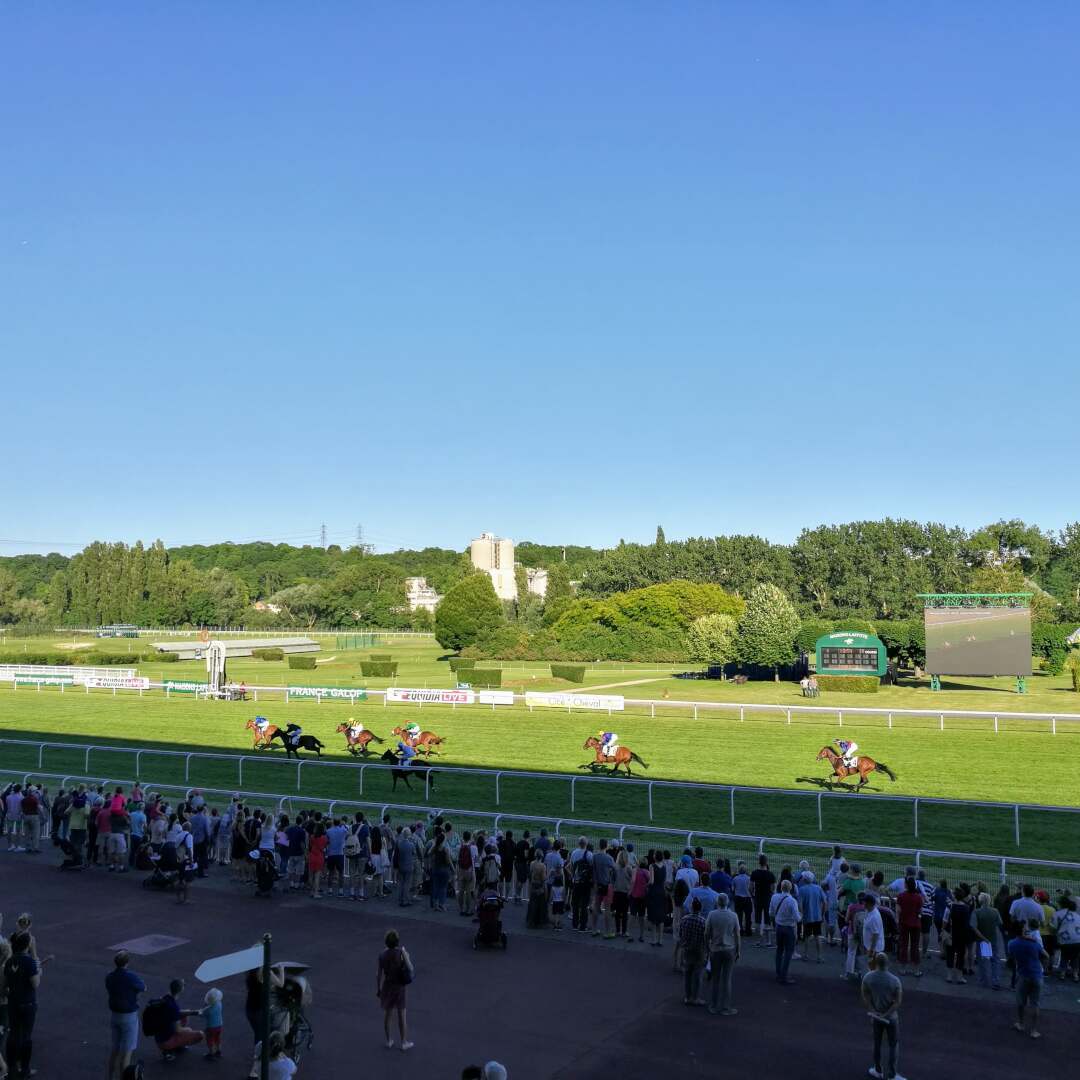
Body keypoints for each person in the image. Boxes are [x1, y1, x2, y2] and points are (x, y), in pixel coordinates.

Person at [860, 952, 904, 1080]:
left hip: (876, 1016)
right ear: (888, 964)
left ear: (875, 963)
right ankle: (892, 1075)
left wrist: (873, 1011)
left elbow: (865, 996)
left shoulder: (868, 978)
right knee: (893, 1044)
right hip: (891, 1018)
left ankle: (878, 1070)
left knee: (877, 1043)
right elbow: (898, 1002)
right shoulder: (895, 980)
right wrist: (886, 1014)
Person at [5, 931, 40, 1079]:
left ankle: (11, 1068)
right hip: (27, 1003)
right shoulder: (30, 961)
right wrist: (39, 971)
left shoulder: (10, 960)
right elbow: (35, 984)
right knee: (26, 1036)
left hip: (13, 1002)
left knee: (12, 1034)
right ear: (27, 945)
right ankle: (25, 1069)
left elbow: (5, 983)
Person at [106, 950, 145, 1079]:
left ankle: (110, 1077)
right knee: (127, 1052)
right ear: (127, 963)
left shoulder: (110, 977)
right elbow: (143, 987)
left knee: (115, 1049)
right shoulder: (130, 976)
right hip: (129, 1016)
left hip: (115, 1015)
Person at [1007, 924, 1048, 1039]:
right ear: (1023, 931)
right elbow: (1046, 956)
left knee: (1021, 1002)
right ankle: (1034, 1030)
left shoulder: (1012, 944)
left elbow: (1011, 960)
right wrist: (1042, 969)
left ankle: (1020, 1023)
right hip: (1037, 976)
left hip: (1023, 975)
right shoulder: (1034, 943)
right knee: (1035, 1004)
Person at [377, 930, 414, 1051]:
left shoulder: (382, 955)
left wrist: (378, 988)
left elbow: (378, 974)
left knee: (388, 1015)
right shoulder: (400, 953)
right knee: (402, 1015)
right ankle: (404, 1042)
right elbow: (411, 968)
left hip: (388, 986)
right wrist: (405, 954)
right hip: (399, 987)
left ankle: (389, 1040)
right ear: (397, 941)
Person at [706, 892, 741, 1015]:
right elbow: (737, 934)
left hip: (715, 949)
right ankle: (726, 1007)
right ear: (728, 903)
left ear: (717, 902)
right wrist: (738, 950)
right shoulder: (733, 916)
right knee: (727, 979)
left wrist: (708, 946)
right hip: (729, 949)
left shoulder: (712, 914)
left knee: (716, 979)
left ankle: (714, 1006)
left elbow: (707, 932)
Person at [155, 978, 205, 1059]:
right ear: (181, 990)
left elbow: (176, 1013)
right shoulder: (173, 1007)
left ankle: (175, 1044)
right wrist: (187, 1030)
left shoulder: (165, 998)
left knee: (186, 1012)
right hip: (165, 1041)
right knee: (200, 1035)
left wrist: (193, 1012)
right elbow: (177, 1030)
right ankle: (170, 1049)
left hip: (160, 1036)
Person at [770, 880, 801, 984]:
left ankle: (779, 972)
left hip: (778, 926)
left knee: (779, 949)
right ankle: (784, 975)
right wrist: (801, 916)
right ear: (791, 888)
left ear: (781, 887)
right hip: (788, 928)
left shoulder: (774, 897)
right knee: (788, 951)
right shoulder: (792, 901)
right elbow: (797, 918)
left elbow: (771, 912)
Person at [679, 898, 708, 1006]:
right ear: (700, 909)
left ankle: (687, 996)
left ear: (691, 907)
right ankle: (696, 997)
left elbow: (681, 934)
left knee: (687, 974)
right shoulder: (703, 921)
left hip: (687, 949)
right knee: (697, 974)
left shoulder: (684, 919)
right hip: (699, 950)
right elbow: (706, 938)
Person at [895, 878, 925, 977]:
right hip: (916, 924)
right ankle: (916, 970)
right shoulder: (918, 897)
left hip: (904, 923)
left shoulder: (901, 896)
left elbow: (898, 911)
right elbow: (920, 911)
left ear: (906, 885)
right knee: (915, 947)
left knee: (904, 945)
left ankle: (903, 968)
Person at [200, 987, 224, 1060]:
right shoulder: (219, 1004)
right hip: (219, 1025)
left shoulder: (208, 1010)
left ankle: (211, 1053)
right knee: (218, 1038)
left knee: (210, 1040)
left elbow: (201, 1014)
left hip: (211, 1027)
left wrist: (204, 1007)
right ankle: (218, 1051)